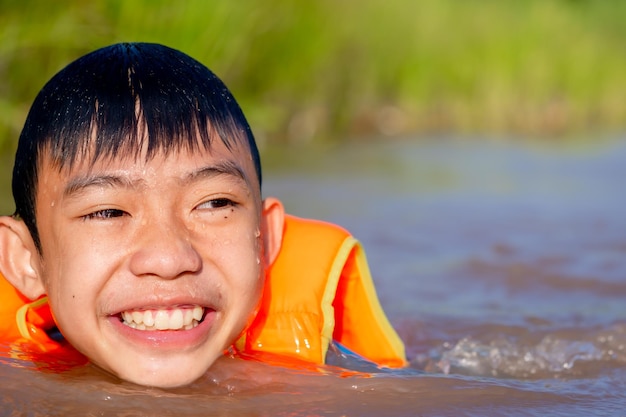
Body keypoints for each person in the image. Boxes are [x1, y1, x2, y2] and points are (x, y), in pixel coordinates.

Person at [0, 43, 406, 388]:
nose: (169, 259)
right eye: (108, 211)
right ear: (25, 260)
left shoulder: (339, 378)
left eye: (214, 204)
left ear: (265, 237)